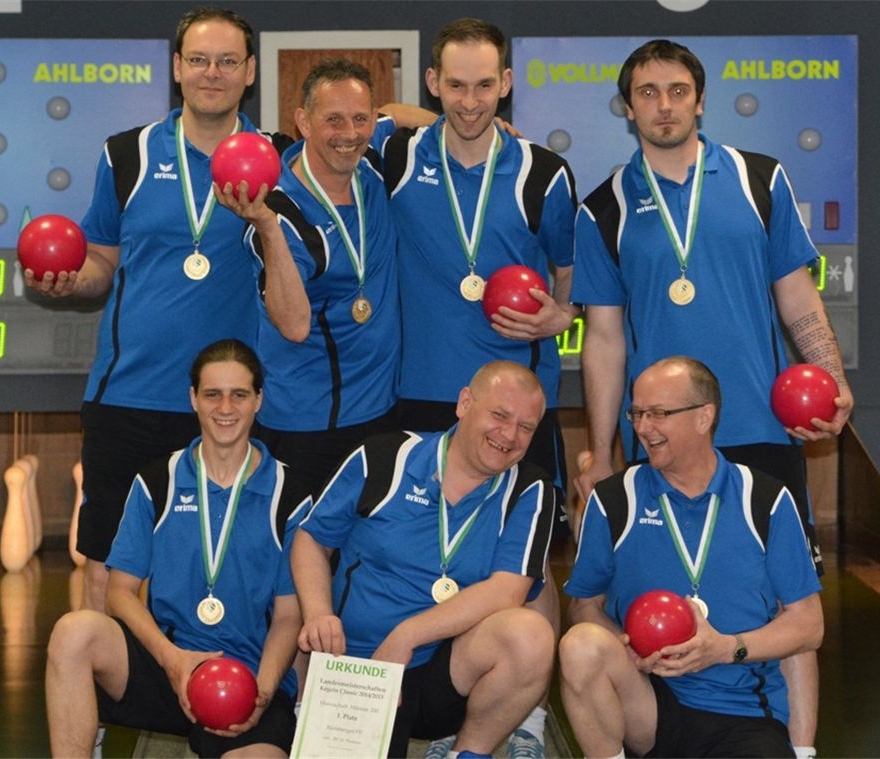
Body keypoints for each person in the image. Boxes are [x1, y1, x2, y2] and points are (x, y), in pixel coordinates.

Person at [571, 39, 853, 756]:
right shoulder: (604, 205)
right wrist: (604, 451)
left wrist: (833, 373)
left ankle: (798, 745)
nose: (662, 105)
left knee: (786, 605)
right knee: (664, 602)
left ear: (699, 99)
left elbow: (797, 295)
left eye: (676, 90)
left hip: (760, 429)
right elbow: (603, 340)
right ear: (627, 104)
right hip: (660, 441)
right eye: (646, 92)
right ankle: (665, 733)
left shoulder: (761, 180)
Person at [373, 21, 578, 754]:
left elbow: (568, 285)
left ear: (507, 84)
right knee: (415, 547)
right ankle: (410, 697)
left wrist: (562, 316)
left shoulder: (544, 173)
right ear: (432, 83)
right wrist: (407, 115)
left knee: (527, 563)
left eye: (484, 85)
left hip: (518, 402)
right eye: (454, 86)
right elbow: (344, 124)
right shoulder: (393, 153)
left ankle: (521, 712)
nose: (469, 101)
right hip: (416, 396)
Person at [24, 6, 271, 612]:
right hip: (130, 396)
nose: (212, 73)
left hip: (230, 403)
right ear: (176, 67)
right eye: (199, 59)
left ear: (250, 71)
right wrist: (66, 280)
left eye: (227, 61)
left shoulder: (277, 159)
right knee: (108, 564)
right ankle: (105, 700)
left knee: (223, 565)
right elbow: (100, 265)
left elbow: (368, 137)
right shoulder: (126, 155)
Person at [44, 339, 311, 758]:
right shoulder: (157, 481)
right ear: (193, 399)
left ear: (258, 399)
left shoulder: (289, 493)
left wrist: (262, 689)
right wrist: (171, 660)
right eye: (212, 394)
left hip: (248, 679)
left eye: (239, 394)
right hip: (167, 663)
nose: (225, 408)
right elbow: (119, 591)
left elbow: (289, 615)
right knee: (73, 633)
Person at [560, 356, 823, 759]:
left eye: (659, 413)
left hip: (744, 713)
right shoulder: (614, 500)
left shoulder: (766, 500)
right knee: (580, 646)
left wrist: (724, 648)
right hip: (649, 705)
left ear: (704, 417)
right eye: (637, 413)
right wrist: (626, 646)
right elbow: (584, 606)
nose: (644, 428)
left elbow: (807, 626)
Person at [291, 360, 556, 759]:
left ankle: (466, 751)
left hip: (446, 669)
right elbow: (312, 538)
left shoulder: (531, 489)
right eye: (499, 415)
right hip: (357, 665)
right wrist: (317, 613)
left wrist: (407, 635)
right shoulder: (385, 456)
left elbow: (508, 590)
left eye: (526, 427)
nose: (509, 435)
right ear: (465, 403)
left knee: (529, 634)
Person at [216, 58, 400, 497]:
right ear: (303, 121)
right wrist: (264, 224)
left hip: (381, 415)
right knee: (301, 557)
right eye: (333, 120)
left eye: (360, 118)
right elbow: (294, 324)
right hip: (306, 426)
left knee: (366, 559)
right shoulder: (280, 213)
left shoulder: (372, 164)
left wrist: (496, 133)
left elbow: (402, 116)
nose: (349, 134)